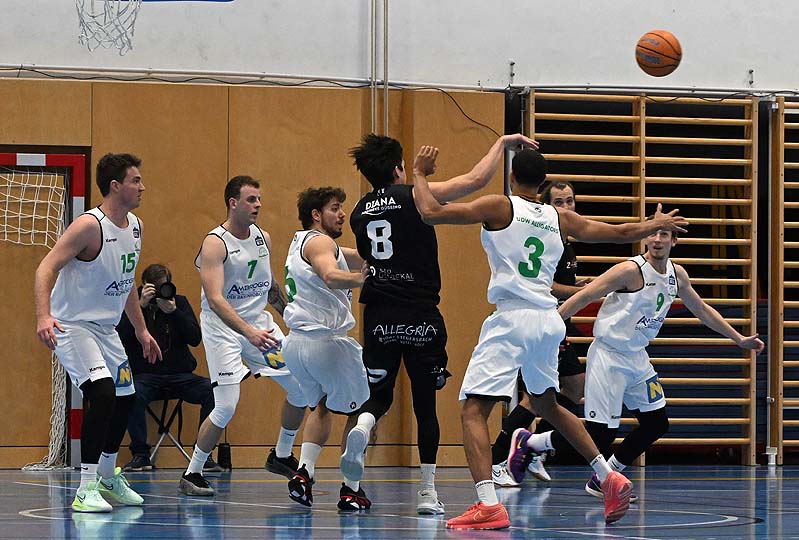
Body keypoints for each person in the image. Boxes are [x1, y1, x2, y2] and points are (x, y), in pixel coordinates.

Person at [411, 145, 688, 529]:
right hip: (547, 321)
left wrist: (420, 173)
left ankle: (488, 504)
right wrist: (652, 224)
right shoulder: (560, 217)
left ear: (512, 178)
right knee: (547, 404)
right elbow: (618, 233)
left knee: (473, 410)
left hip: (512, 319)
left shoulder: (499, 206)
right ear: (542, 184)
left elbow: (430, 212)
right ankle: (607, 476)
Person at [346, 132, 538, 515]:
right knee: (425, 405)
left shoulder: (358, 212)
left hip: (379, 314)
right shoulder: (416, 195)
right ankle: (427, 492)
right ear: (399, 168)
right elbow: (475, 180)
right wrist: (500, 144)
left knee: (379, 397)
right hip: (420, 313)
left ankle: (363, 427)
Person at [556, 225, 764, 500]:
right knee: (601, 434)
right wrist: (552, 324)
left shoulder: (677, 275)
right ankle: (533, 442)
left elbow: (702, 309)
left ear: (673, 241)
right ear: (644, 238)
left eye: (664, 235)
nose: (656, 239)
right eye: (652, 233)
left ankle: (603, 478)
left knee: (656, 423)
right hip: (609, 355)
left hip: (637, 357)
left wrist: (739, 338)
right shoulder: (629, 270)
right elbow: (585, 295)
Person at [34, 153, 161, 513]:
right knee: (102, 392)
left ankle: (107, 475)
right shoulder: (89, 226)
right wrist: (43, 316)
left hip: (107, 329)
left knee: (127, 396)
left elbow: (127, 283)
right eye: (136, 180)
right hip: (72, 325)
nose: (142, 186)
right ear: (115, 186)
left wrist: (141, 330)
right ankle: (85, 488)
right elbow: (45, 268)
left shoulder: (135, 226)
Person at [179, 175, 307, 496]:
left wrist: (293, 319)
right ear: (233, 203)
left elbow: (271, 287)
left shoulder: (263, 238)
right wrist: (248, 333)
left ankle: (280, 455)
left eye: (259, 199)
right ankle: (192, 473)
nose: (258, 205)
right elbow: (215, 299)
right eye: (251, 199)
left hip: (258, 324)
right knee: (226, 406)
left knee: (301, 387)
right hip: (223, 329)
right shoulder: (215, 243)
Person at [491, 180, 589, 487]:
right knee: (535, 397)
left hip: (557, 320)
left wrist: (579, 286)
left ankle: (533, 447)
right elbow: (544, 284)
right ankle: (497, 458)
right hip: (538, 318)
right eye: (559, 202)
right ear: (547, 206)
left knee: (573, 386)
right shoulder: (545, 235)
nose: (566, 207)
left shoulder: (566, 240)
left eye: (570, 201)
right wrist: (580, 292)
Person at [281, 187, 372, 511]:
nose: (342, 213)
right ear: (316, 215)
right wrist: (361, 279)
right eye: (335, 208)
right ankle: (351, 489)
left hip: (296, 345)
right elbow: (331, 275)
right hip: (326, 343)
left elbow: (352, 255)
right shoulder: (320, 242)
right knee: (365, 408)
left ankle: (304, 472)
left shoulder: (301, 242)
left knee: (320, 406)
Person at [116, 263, 221, 473]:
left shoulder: (179, 302)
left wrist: (174, 312)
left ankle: (203, 453)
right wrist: (141, 306)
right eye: (154, 287)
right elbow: (120, 338)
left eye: (163, 286)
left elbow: (195, 338)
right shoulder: (133, 305)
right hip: (145, 376)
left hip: (180, 375)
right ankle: (141, 455)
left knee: (213, 391)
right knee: (130, 393)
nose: (159, 291)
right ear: (144, 285)